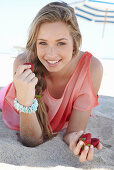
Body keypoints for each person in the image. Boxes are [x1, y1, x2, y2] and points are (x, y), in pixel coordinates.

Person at [0, 1, 103, 162]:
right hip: (9, 99)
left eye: (61, 43)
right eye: (43, 43)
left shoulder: (92, 69)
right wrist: (25, 101)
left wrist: (75, 141)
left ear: (75, 42)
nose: (51, 54)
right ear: (35, 43)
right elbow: (32, 140)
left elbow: (72, 132)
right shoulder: (24, 64)